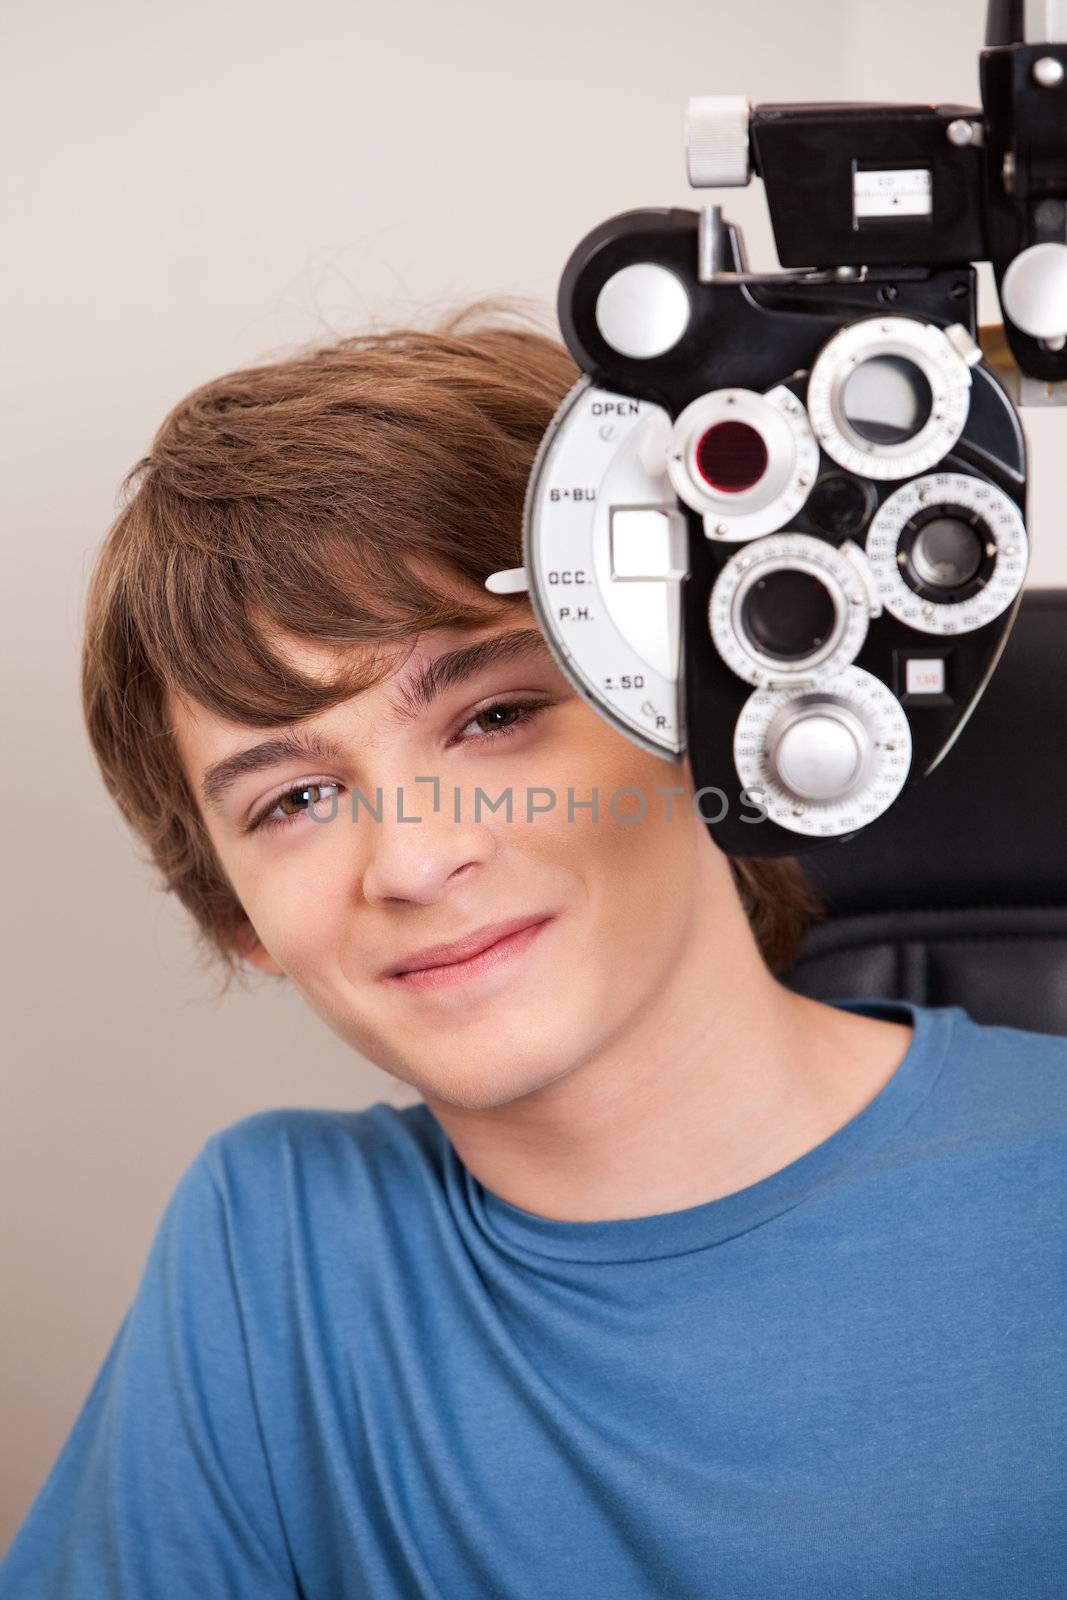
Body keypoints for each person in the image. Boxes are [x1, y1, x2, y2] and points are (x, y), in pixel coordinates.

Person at [2, 299, 1063, 1598]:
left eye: (496, 714)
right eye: (292, 801)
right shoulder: (271, 1246)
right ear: (236, 916)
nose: (411, 859)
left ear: (713, 699)